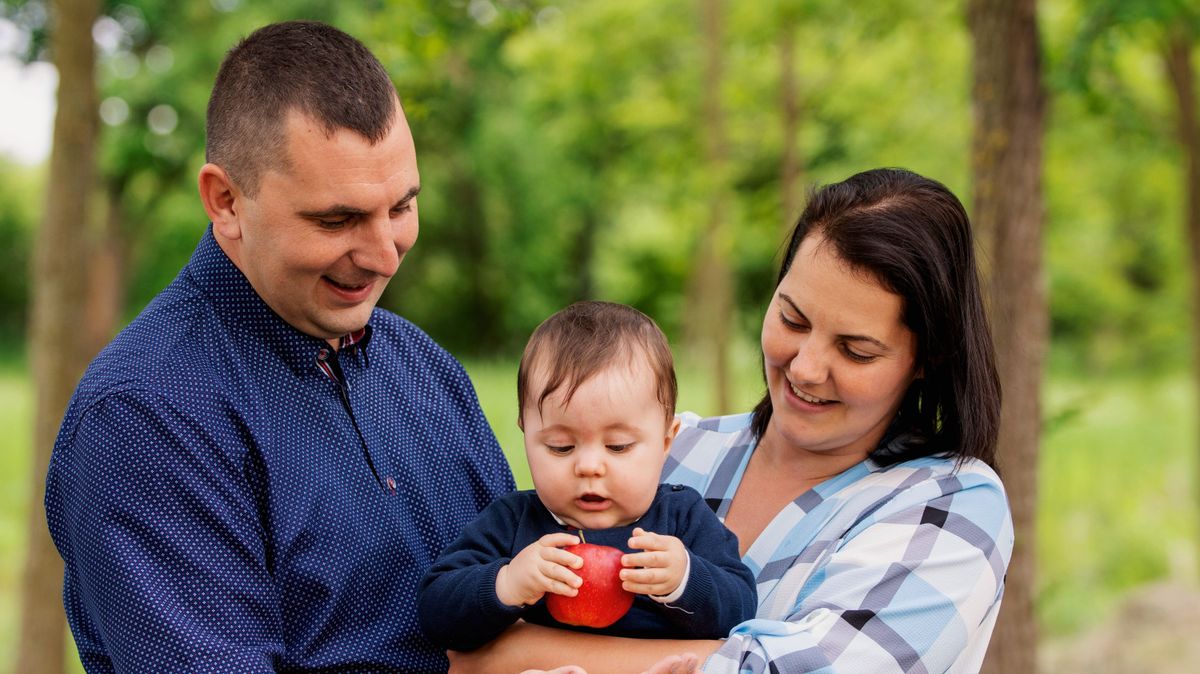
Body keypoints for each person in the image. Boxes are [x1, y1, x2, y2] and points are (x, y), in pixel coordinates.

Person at [44, 21, 514, 672]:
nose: (385, 255)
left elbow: (524, 591)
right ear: (227, 200)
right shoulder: (147, 416)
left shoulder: (424, 366)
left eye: (402, 207)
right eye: (337, 219)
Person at [449, 168, 1014, 673]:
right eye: (792, 319)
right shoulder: (678, 446)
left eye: (856, 350)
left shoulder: (951, 503)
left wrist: (515, 653)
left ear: (927, 360)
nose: (807, 367)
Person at [418, 301, 757, 651]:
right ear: (527, 437)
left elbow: (742, 605)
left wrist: (685, 578)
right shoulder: (512, 523)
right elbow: (435, 611)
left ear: (666, 441)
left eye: (618, 446)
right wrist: (507, 582)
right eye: (561, 447)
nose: (589, 466)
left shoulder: (682, 518)